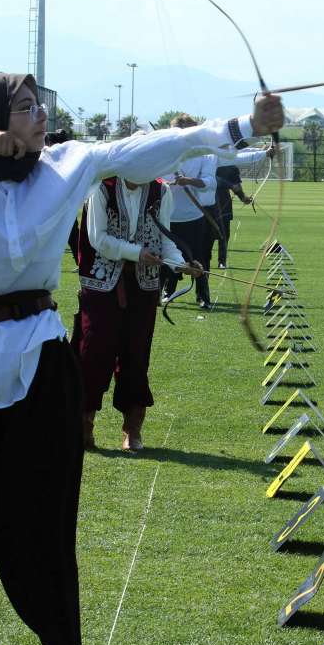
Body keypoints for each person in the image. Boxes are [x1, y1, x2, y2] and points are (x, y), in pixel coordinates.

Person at [0, 72, 282, 645]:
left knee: (44, 520)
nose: (39, 119)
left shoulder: (65, 163)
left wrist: (245, 129)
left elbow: (146, 150)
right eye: (25, 109)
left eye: (39, 107)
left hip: (41, 369)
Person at [76, 173, 200, 451]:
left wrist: (180, 264)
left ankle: (132, 428)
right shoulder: (102, 187)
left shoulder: (161, 191)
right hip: (102, 283)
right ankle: (84, 423)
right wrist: (136, 252)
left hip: (143, 286)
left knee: (136, 353)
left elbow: (164, 240)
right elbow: (98, 239)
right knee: (94, 351)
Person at [162, 115, 273, 308]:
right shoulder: (165, 153)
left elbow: (233, 159)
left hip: (200, 213)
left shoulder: (206, 153)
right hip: (168, 214)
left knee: (201, 255)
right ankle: (167, 291)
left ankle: (203, 296)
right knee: (169, 254)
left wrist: (263, 154)